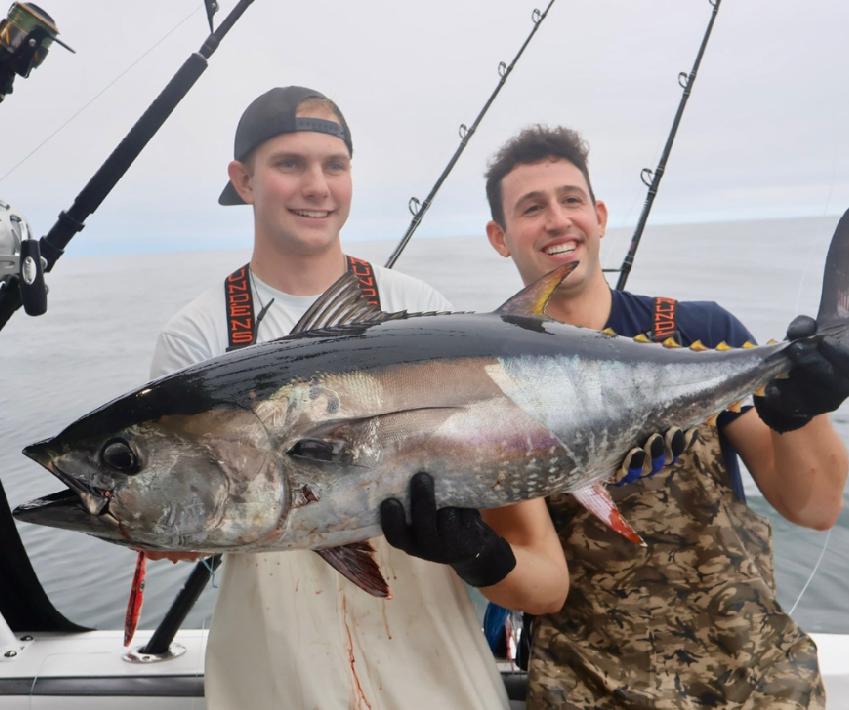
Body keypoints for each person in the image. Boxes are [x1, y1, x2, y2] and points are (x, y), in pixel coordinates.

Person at [149, 86, 564, 710]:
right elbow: (168, 530)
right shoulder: (198, 335)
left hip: (433, 673)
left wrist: (472, 548)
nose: (317, 185)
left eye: (334, 165)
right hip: (277, 674)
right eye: (289, 163)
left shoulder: (419, 308)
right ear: (243, 180)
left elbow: (546, 580)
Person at [475, 125, 849, 709]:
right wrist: (465, 547)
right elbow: (539, 578)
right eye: (532, 208)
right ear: (499, 237)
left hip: (755, 684)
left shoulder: (696, 334)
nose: (557, 220)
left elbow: (815, 506)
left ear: (600, 216)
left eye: (571, 200)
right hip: (591, 691)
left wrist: (800, 411)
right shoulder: (493, 375)